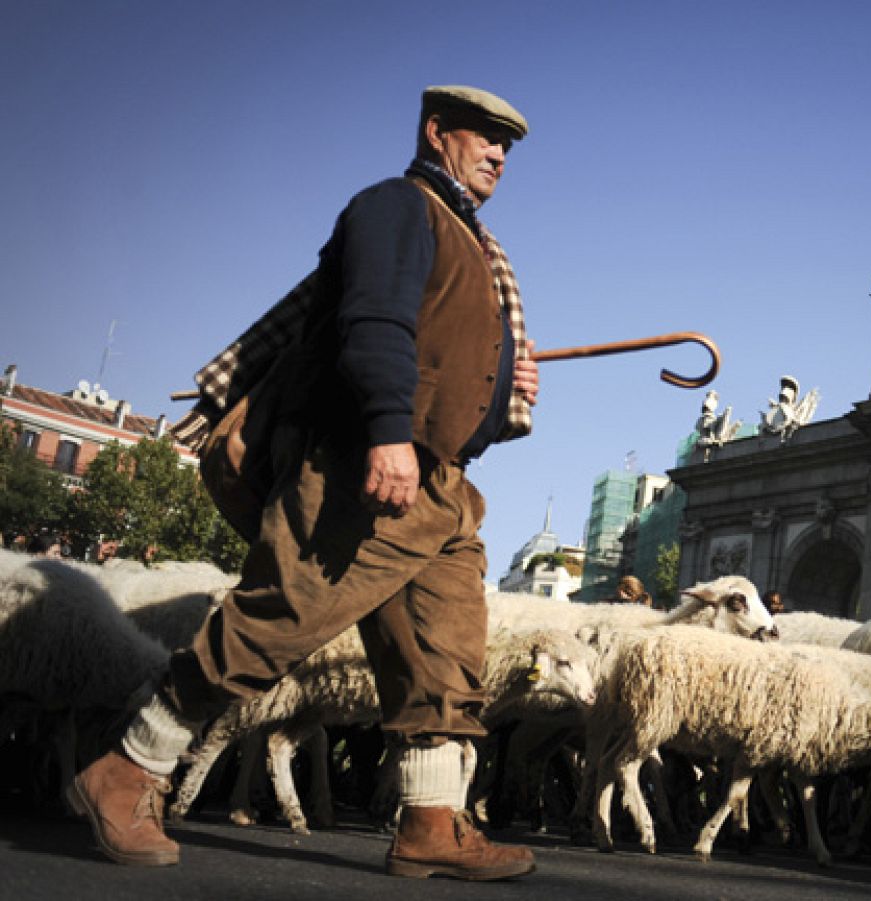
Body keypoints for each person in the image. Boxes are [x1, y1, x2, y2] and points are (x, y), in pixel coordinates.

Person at [71, 85, 540, 881]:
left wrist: (499, 390)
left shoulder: (473, 242)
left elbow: (446, 376)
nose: (500, 152)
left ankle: (430, 821)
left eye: (509, 144)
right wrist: (389, 431)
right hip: (369, 464)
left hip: (443, 487)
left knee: (444, 652)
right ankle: (125, 769)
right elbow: (375, 324)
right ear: (437, 132)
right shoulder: (401, 206)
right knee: (279, 616)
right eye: (485, 136)